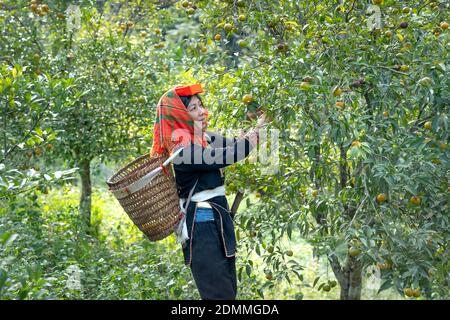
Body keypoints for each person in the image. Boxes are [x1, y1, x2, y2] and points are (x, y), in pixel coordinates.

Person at [150, 84, 268, 300]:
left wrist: (255, 125)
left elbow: (234, 145)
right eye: (193, 108)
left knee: (228, 291)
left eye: (200, 105)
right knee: (218, 295)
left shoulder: (204, 138)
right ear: (179, 117)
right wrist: (255, 134)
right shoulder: (182, 150)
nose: (202, 112)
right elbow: (228, 155)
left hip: (218, 221)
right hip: (202, 226)